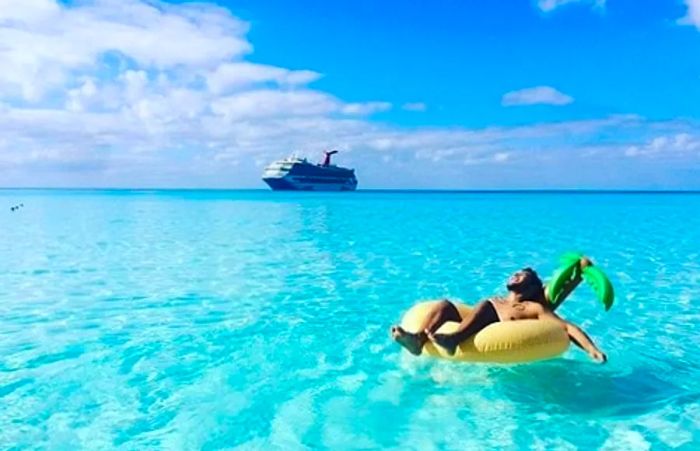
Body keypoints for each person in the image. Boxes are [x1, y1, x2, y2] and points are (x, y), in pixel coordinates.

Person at [390, 257, 607, 363]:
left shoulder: (532, 307)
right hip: (479, 322)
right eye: (515, 273)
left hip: (498, 333)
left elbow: (566, 327)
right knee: (446, 305)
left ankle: (453, 339)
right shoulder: (498, 300)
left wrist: (591, 349)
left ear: (532, 287)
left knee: (486, 304)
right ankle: (418, 339)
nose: (515, 274)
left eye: (522, 275)